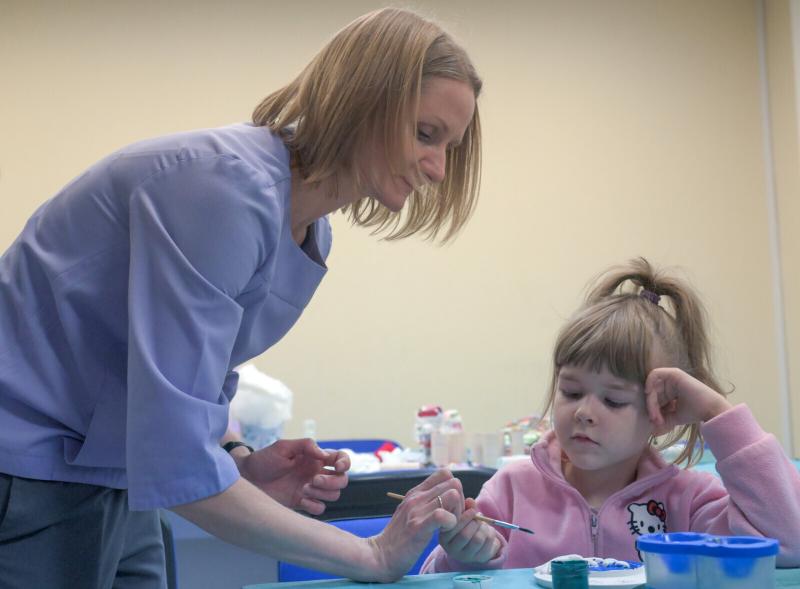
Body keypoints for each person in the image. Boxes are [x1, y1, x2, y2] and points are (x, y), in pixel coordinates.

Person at [0, 7, 482, 587]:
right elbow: (175, 455)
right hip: (26, 462)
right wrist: (371, 554)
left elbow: (184, 377)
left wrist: (236, 458)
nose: (437, 169)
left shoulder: (306, 225)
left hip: (107, 469)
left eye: (450, 146)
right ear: (362, 99)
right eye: (426, 135)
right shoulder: (223, 189)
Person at [421, 257, 800, 573]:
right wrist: (463, 555)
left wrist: (716, 411)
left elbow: (788, 542)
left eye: (614, 401)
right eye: (571, 392)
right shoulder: (511, 489)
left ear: (662, 410)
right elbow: (432, 576)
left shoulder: (690, 501)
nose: (584, 412)